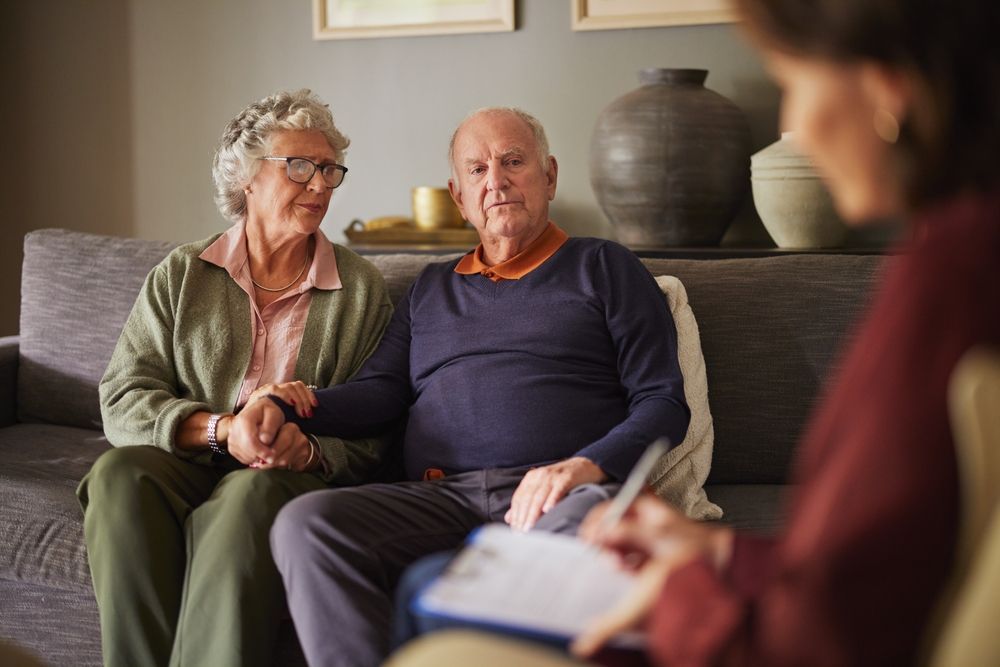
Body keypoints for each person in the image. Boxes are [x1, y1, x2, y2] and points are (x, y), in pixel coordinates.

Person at [383, 2, 1000, 666]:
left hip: (726, 631)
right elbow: (865, 566)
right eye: (478, 170)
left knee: (435, 620)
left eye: (793, 83)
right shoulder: (959, 260)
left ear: (887, 92)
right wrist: (724, 550)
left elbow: (829, 628)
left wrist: (679, 589)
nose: (792, 124)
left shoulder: (947, 290)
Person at [227, 106, 691, 667]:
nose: (495, 180)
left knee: (558, 557)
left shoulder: (604, 266)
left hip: (561, 496)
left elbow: (663, 402)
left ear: (549, 175)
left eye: (513, 162)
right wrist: (289, 401)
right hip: (439, 497)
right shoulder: (432, 289)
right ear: (458, 196)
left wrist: (585, 467)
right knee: (308, 524)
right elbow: (379, 393)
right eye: (477, 170)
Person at [76, 89, 394, 667]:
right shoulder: (182, 273)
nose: (321, 184)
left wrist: (312, 451)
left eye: (329, 169)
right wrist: (223, 430)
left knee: (249, 493)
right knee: (119, 473)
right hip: (193, 458)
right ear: (246, 178)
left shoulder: (362, 289)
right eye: (300, 167)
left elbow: (379, 420)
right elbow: (123, 395)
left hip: (281, 475)